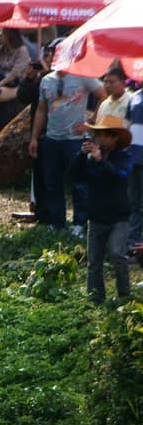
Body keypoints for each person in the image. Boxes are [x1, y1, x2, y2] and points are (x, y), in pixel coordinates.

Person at [28, 57, 102, 234]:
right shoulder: (47, 80)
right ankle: (57, 222)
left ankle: (80, 223)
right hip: (52, 138)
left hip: (75, 140)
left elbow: (104, 96)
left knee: (79, 182)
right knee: (52, 182)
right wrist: (34, 138)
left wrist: (90, 123)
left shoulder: (83, 76)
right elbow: (41, 110)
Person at [71, 114, 135, 303]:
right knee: (94, 261)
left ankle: (125, 295)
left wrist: (101, 161)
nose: (97, 138)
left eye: (102, 135)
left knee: (117, 253)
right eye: (96, 134)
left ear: (114, 138)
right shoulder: (91, 158)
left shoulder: (124, 156)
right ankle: (95, 297)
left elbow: (120, 175)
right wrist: (81, 156)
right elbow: (75, 176)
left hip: (118, 217)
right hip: (97, 215)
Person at [127, 79, 143, 255]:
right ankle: (133, 245)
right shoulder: (134, 97)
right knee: (134, 203)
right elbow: (127, 124)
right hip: (133, 156)